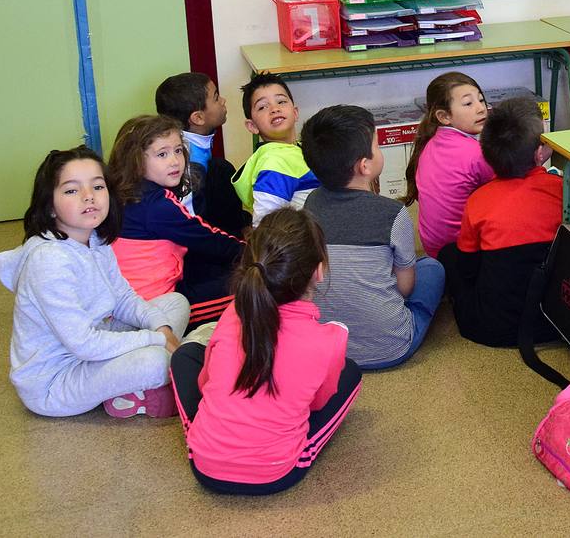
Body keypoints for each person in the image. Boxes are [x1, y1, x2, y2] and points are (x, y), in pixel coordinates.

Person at [169, 208, 361, 494]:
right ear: (318, 271)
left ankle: (206, 434)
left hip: (205, 466)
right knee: (352, 373)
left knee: (184, 356)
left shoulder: (233, 312)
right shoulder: (329, 340)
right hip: (277, 473)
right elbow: (317, 405)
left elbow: (204, 382)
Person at [0, 147, 188, 418]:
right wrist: (155, 339)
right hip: (56, 383)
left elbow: (123, 298)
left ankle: (130, 388)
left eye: (97, 186)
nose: (89, 197)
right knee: (156, 360)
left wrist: (160, 328)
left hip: (94, 343)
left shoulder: (93, 238)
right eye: (72, 190)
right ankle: (139, 384)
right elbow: (83, 344)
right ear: (49, 205)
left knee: (175, 303)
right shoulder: (48, 261)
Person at [301, 104, 445, 369]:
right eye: (377, 145)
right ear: (365, 166)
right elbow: (405, 288)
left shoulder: (310, 204)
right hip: (390, 348)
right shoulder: (394, 213)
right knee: (431, 268)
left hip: (327, 349)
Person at [439, 97, 570, 347]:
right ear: (540, 152)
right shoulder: (565, 191)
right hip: (560, 323)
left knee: (449, 254)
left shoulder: (478, 201)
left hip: (490, 330)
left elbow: (467, 268)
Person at [108, 115, 244, 326]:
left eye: (178, 150)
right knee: (253, 286)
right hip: (156, 306)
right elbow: (206, 237)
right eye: (162, 154)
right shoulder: (155, 205)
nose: (175, 161)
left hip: (134, 296)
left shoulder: (127, 193)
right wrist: (253, 250)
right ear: (135, 159)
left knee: (218, 265)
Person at [404, 72, 495, 258]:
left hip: (433, 247)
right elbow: (507, 185)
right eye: (468, 103)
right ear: (444, 116)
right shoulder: (476, 153)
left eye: (481, 100)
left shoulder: (430, 142)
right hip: (462, 252)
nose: (481, 109)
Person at [155, 72, 249, 236]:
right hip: (198, 241)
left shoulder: (184, 140)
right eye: (216, 97)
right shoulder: (189, 162)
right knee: (221, 169)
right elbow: (189, 220)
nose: (223, 101)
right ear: (198, 118)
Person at [231, 72, 319, 223]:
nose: (274, 109)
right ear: (252, 126)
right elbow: (265, 226)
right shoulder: (274, 162)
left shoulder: (300, 149)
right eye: (262, 107)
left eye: (281, 102)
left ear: (295, 112)